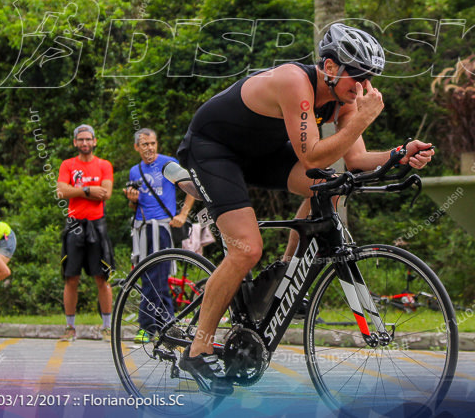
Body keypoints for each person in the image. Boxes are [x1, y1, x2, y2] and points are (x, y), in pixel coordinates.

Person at [175, 23, 434, 393]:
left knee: (329, 188)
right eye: (357, 75)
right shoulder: (293, 81)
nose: (362, 86)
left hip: (260, 154)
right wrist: (362, 117)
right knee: (246, 249)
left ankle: (283, 276)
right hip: (214, 150)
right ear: (330, 67)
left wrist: (400, 154)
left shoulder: (343, 100)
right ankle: (198, 349)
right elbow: (311, 154)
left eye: (370, 78)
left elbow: (357, 158)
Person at [124, 128, 196, 344]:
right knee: (149, 277)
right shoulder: (134, 171)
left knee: (157, 278)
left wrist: (183, 214)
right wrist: (132, 199)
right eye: (145, 144)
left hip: (163, 229)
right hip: (143, 228)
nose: (150, 148)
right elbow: (133, 205)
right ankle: (168, 325)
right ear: (137, 147)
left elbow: (192, 186)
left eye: (153, 143)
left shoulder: (168, 164)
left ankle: (148, 327)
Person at [57, 123, 114, 343]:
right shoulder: (68, 164)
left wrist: (78, 191)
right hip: (74, 225)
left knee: (102, 277)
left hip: (97, 225)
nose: (84, 143)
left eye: (88, 139)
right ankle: (70, 328)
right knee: (71, 278)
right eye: (80, 139)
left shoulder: (104, 165)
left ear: (95, 141)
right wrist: (88, 190)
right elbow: (61, 191)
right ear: (75, 143)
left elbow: (106, 193)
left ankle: (107, 327)